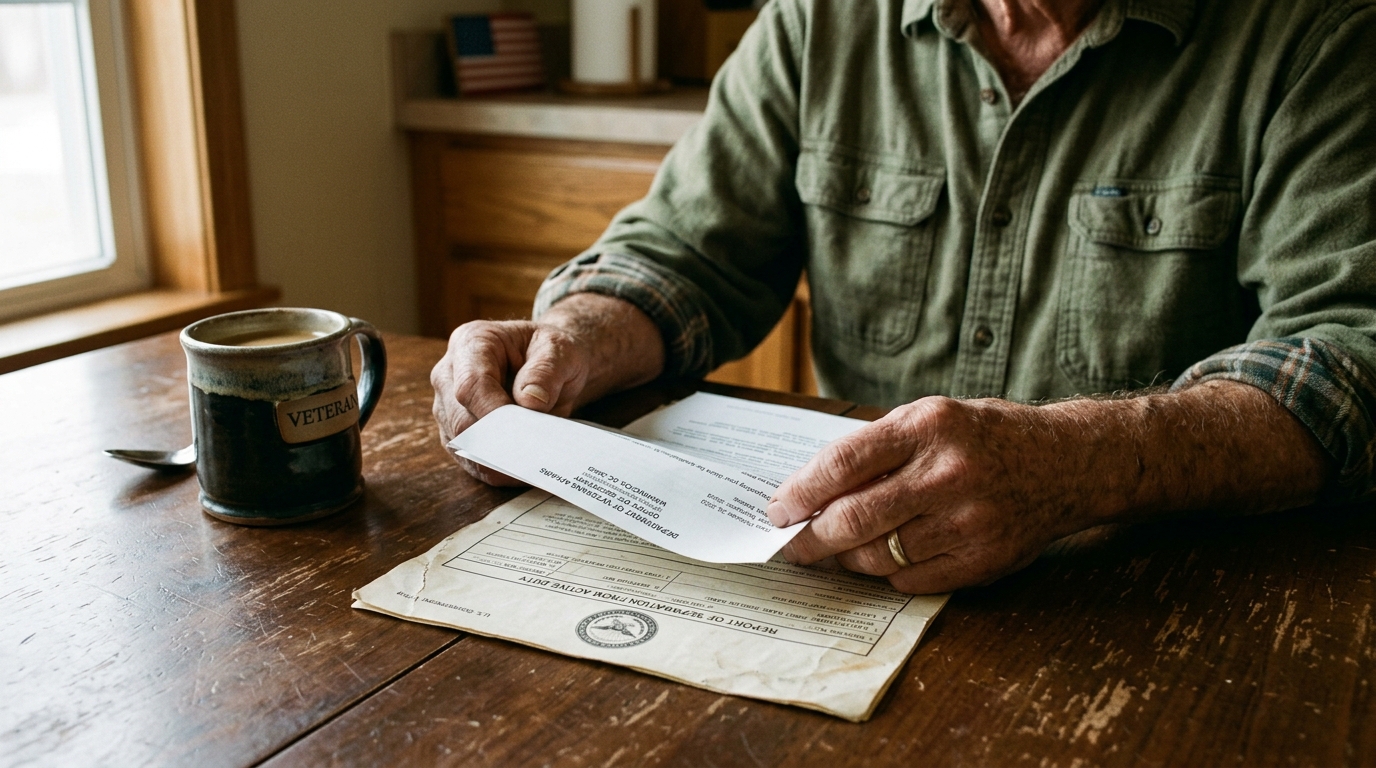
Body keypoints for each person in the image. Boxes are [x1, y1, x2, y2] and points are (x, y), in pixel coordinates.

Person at [431, 0, 1376, 594]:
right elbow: (688, 249)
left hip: (1150, 595)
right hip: (841, 578)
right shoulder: (818, 19)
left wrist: (1075, 463)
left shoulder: (1319, 31)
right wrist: (575, 337)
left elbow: (1351, 353)